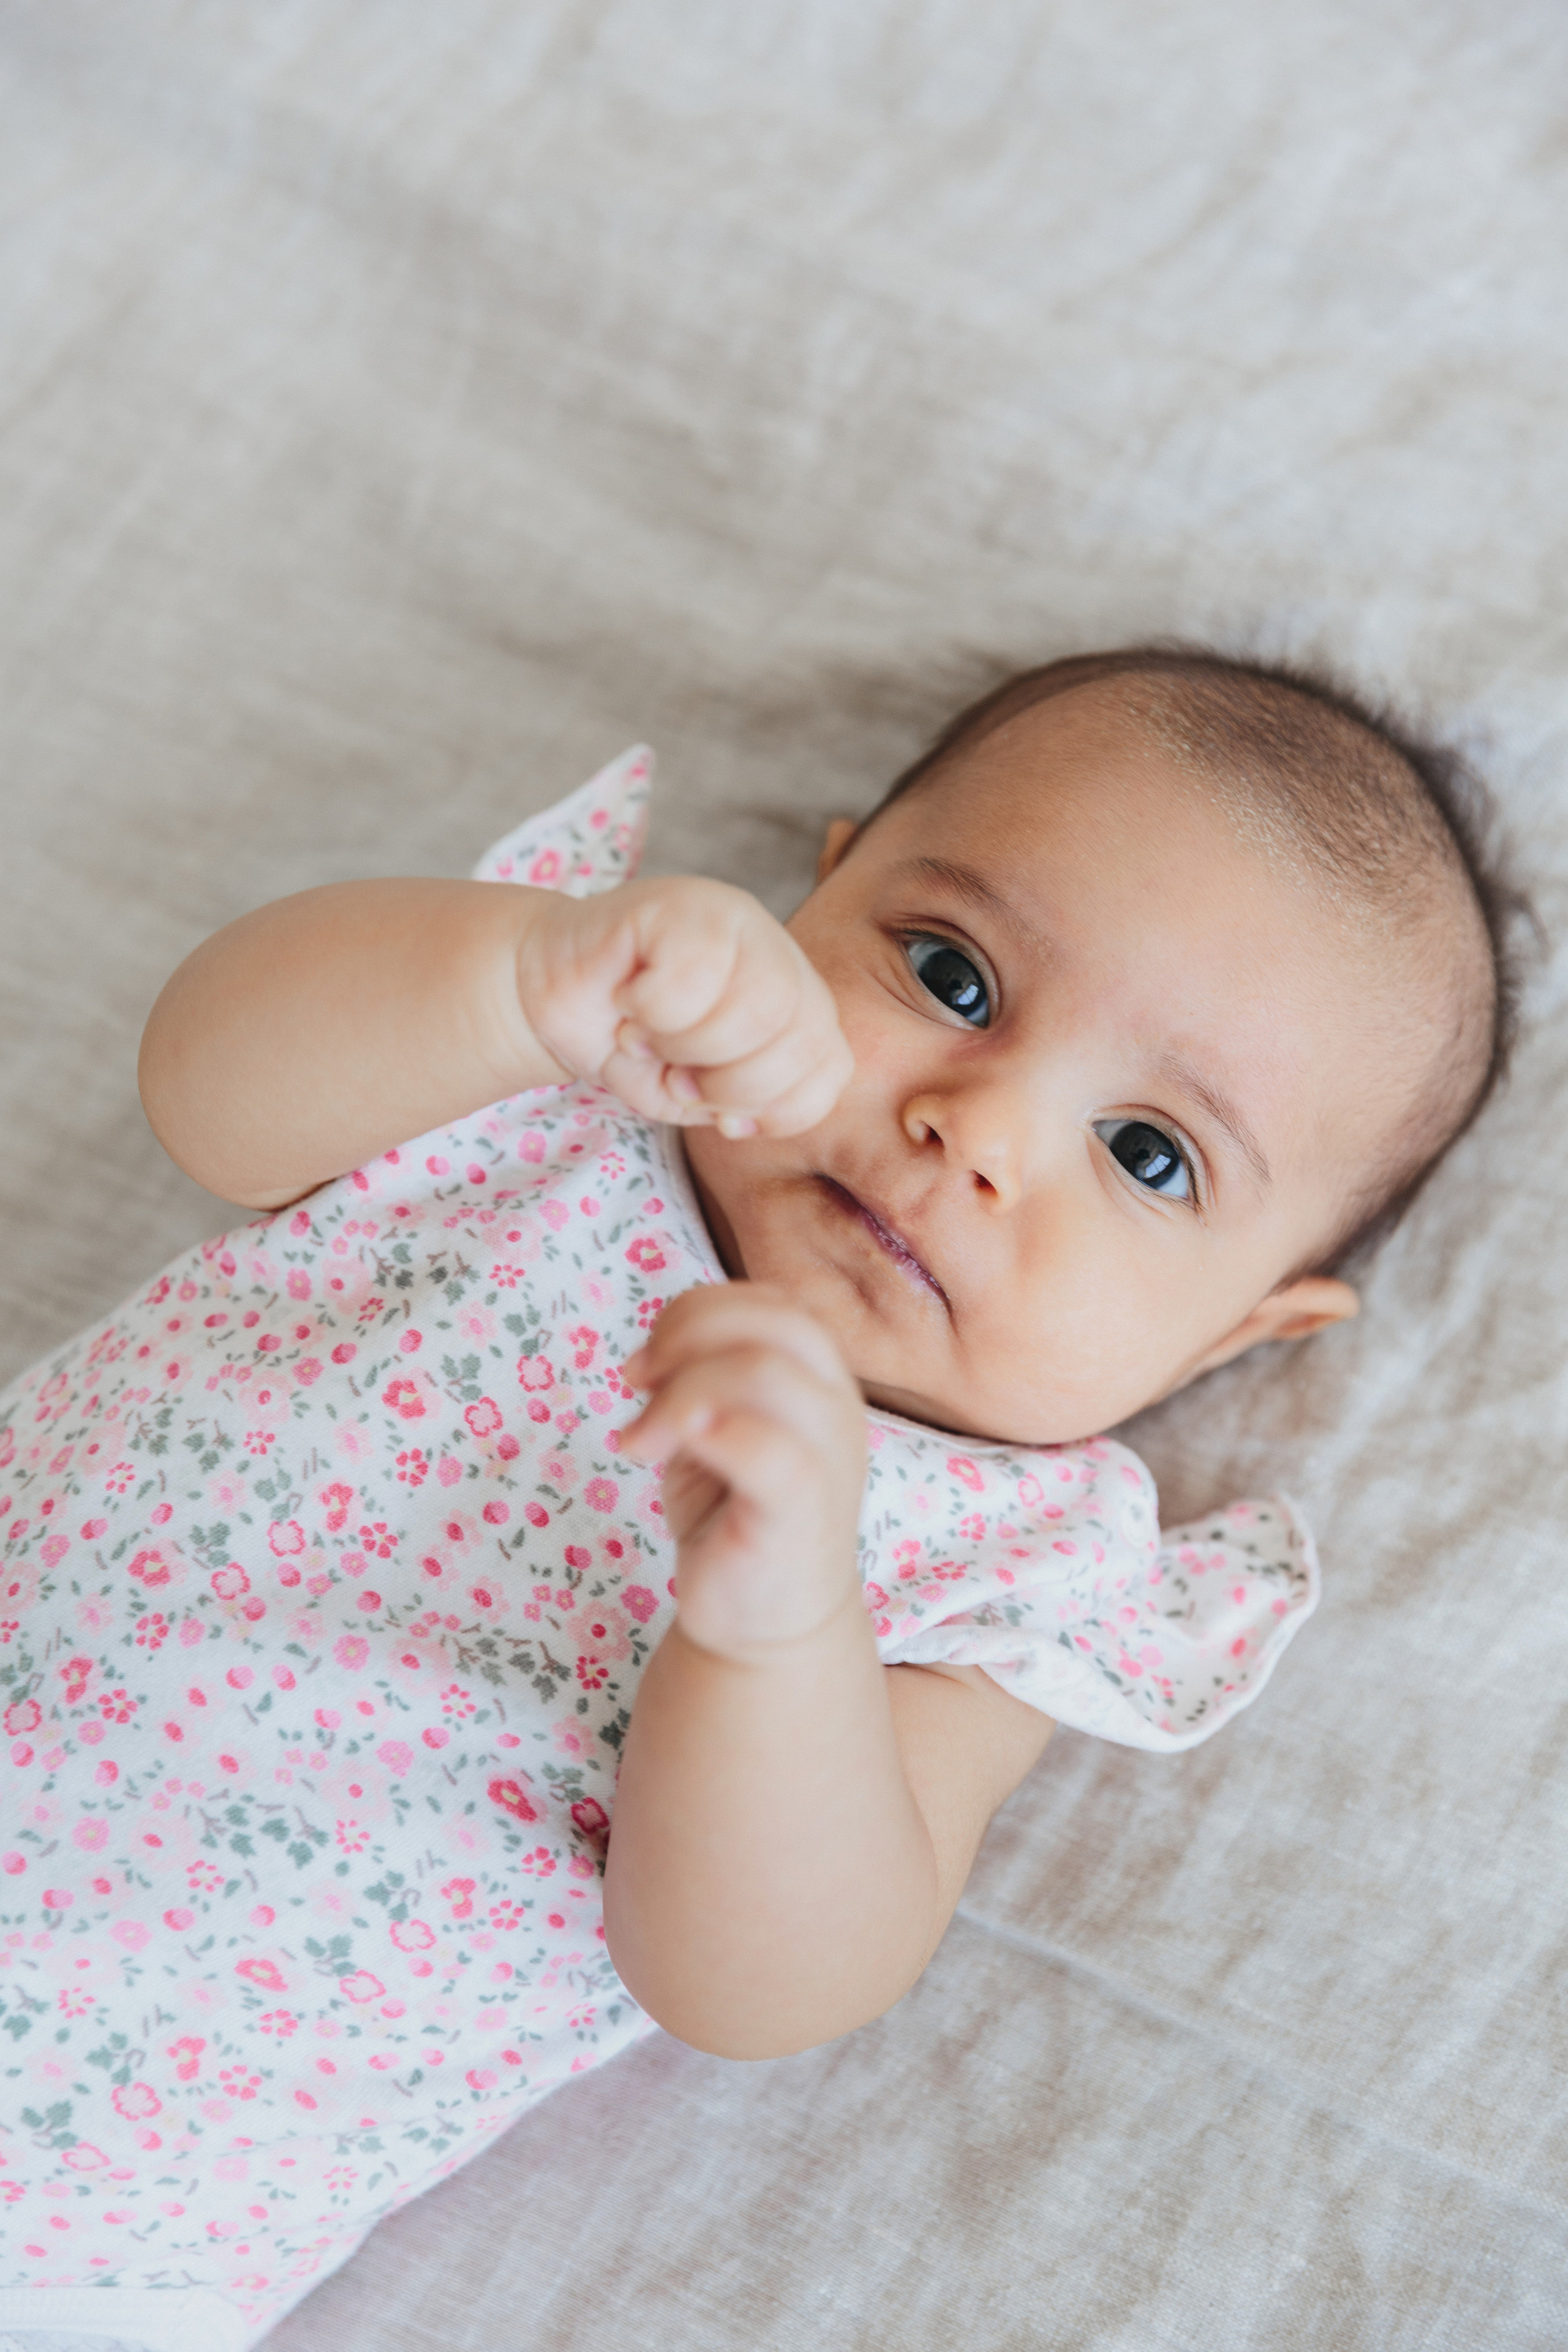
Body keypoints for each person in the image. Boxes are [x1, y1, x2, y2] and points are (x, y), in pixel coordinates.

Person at [0, 649, 1524, 2352]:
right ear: (823, 887)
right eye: (949, 975)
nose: (974, 1129)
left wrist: (776, 1631)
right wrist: (518, 978)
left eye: (1148, 1153)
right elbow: (207, 1094)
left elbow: (760, 1981)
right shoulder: (558, 1075)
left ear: (1240, 1332)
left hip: (94, 2207)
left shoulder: (993, 1577)